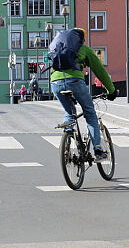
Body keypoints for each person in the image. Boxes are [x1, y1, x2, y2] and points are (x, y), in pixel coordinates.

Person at [48, 28, 116, 159]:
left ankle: (67, 140)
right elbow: (100, 71)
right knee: (90, 112)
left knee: (69, 112)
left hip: (55, 83)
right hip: (75, 82)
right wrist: (111, 90)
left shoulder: (57, 48)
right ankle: (98, 150)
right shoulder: (83, 49)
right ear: (81, 39)